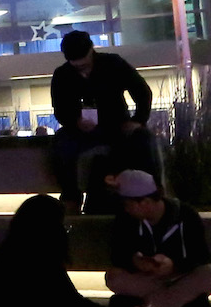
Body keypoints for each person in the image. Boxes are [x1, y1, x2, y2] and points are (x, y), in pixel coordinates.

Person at [103, 169, 211, 307]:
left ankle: (151, 304)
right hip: (147, 278)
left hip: (179, 277)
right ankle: (166, 302)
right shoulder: (126, 219)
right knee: (114, 277)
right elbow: (119, 255)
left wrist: (173, 265)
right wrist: (136, 261)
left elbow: (201, 256)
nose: (126, 209)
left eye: (128, 204)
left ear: (144, 202)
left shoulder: (185, 215)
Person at [50, 28, 150, 214]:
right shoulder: (62, 75)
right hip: (79, 130)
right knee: (62, 143)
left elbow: (142, 92)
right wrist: (75, 122)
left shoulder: (113, 64)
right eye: (76, 65)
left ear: (91, 51)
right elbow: (60, 109)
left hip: (116, 125)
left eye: (84, 63)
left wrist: (138, 120)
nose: (82, 68)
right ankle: (71, 196)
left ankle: (145, 192)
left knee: (140, 140)